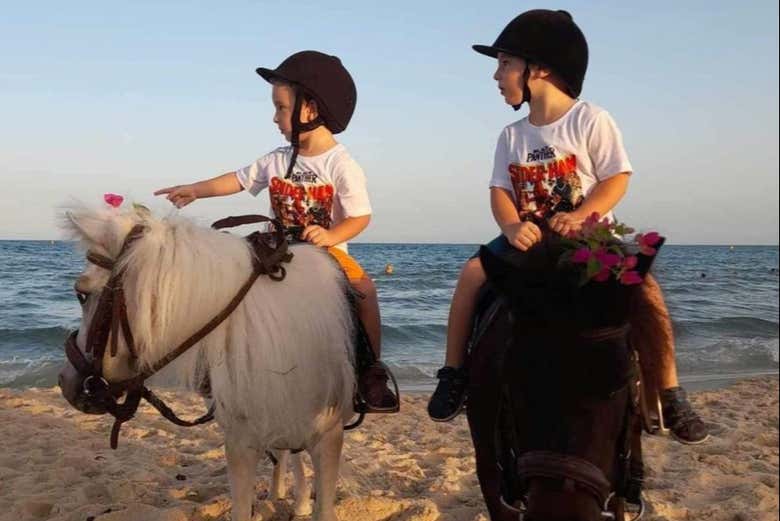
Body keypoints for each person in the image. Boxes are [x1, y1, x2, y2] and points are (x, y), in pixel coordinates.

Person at [427, 10, 708, 444]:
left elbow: (617, 178)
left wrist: (582, 216)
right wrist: (511, 224)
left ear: (537, 68)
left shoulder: (590, 119)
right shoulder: (511, 136)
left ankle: (670, 391)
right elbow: (500, 190)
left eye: (504, 64)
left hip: (588, 238)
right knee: (471, 275)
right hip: (530, 239)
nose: (496, 76)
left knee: (645, 287)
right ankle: (454, 374)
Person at [154, 50, 398, 413]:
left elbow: (360, 217)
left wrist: (331, 236)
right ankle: (213, 366)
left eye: (281, 108)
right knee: (226, 281)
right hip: (276, 249)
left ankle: (369, 370)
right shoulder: (277, 159)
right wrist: (196, 189)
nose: (275, 117)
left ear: (311, 109)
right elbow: (237, 180)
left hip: (325, 254)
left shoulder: (341, 164)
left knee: (364, 290)